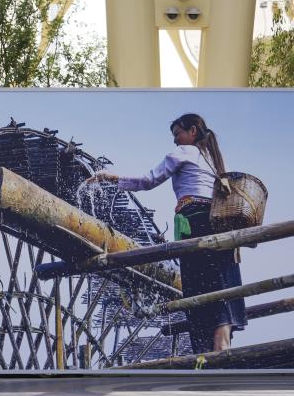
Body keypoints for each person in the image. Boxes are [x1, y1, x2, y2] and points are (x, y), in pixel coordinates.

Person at [89, 113, 246, 353]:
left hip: (194, 220)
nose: (175, 140)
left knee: (197, 283)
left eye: (177, 134)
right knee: (220, 280)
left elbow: (148, 181)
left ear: (192, 132)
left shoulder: (184, 153)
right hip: (216, 222)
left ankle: (207, 353)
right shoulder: (213, 161)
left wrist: (111, 178)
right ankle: (221, 346)